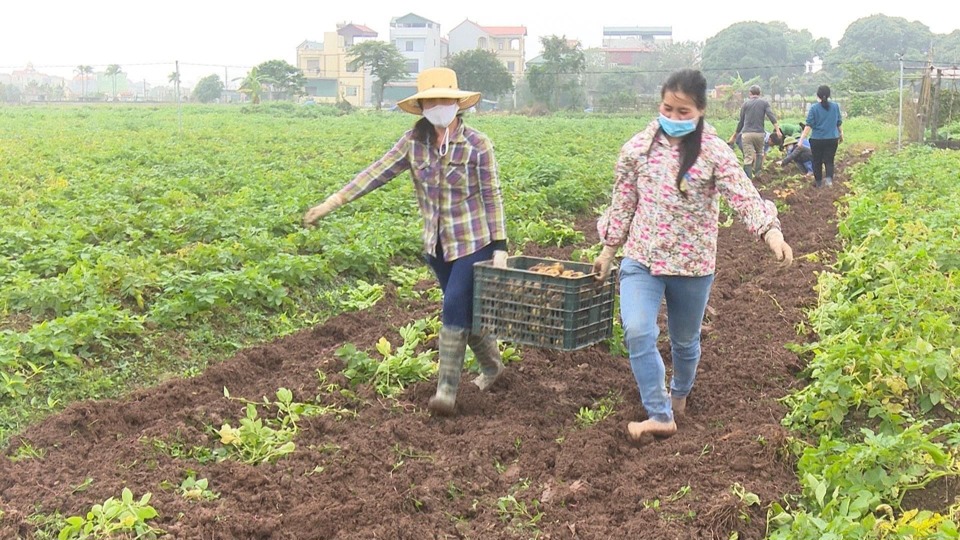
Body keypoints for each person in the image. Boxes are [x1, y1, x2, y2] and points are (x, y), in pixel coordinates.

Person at [592, 69, 794, 443]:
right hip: (642, 259)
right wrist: (608, 250)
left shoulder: (714, 152)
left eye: (683, 111)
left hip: (692, 265)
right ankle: (659, 413)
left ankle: (680, 394)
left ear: (700, 110)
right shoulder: (637, 149)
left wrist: (771, 231)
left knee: (684, 342)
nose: (673, 117)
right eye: (667, 108)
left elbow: (743, 194)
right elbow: (622, 203)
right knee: (637, 331)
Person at [303, 67, 509, 416]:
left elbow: (492, 195)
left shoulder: (477, 145)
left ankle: (446, 391)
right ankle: (493, 367)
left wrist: (501, 247)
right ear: (423, 106)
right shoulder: (413, 143)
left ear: (457, 104)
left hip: (476, 242)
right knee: (465, 310)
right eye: (432, 100)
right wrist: (332, 202)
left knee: (454, 304)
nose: (438, 105)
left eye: (445, 98)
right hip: (438, 245)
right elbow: (376, 172)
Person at [727, 85, 782, 180]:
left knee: (748, 157)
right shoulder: (764, 103)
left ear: (750, 93)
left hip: (746, 134)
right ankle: (758, 175)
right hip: (759, 134)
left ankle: (748, 180)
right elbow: (771, 115)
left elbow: (741, 122)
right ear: (760, 93)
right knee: (760, 153)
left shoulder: (745, 104)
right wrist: (777, 129)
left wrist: (734, 135)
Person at [798, 85, 843, 187]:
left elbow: (808, 125)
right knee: (829, 160)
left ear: (818, 95)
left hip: (817, 140)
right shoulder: (835, 106)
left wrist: (801, 140)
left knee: (817, 161)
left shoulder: (814, 108)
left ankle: (818, 183)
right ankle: (829, 181)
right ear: (829, 95)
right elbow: (838, 122)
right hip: (832, 139)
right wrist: (841, 135)